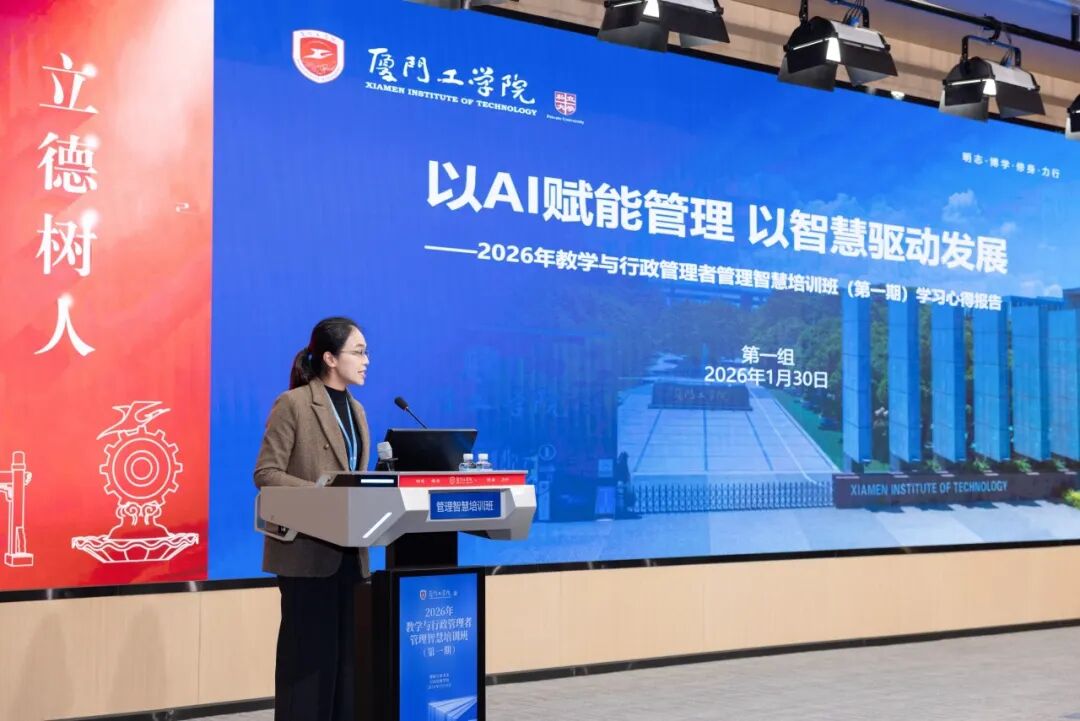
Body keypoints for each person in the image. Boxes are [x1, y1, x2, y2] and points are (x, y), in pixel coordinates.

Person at [254, 316, 371, 721]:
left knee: (348, 667)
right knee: (306, 666)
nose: (367, 361)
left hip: (351, 555)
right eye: (359, 352)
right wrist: (322, 494)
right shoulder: (294, 404)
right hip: (306, 555)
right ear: (329, 358)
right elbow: (266, 473)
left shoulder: (357, 410)